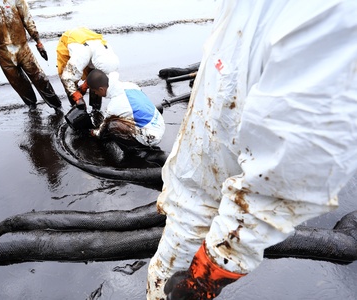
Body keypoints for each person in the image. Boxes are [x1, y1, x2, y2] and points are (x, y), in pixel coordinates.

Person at [146, 0, 357, 299]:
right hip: (189, 198)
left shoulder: (330, 16)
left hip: (209, 223)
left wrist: (204, 277)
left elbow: (292, 167)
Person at [0, 0, 61, 111]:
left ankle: (56, 106)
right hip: (2, 52)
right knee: (19, 84)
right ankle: (32, 106)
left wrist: (38, 41)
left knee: (39, 78)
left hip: (22, 48)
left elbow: (26, 17)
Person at [86, 69, 165, 155]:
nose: (96, 94)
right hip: (159, 123)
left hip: (151, 136)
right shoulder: (130, 85)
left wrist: (92, 132)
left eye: (95, 91)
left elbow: (101, 132)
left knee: (112, 126)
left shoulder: (114, 106)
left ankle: (138, 152)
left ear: (101, 89)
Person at [56, 27, 119, 111]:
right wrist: (77, 96)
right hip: (73, 40)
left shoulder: (109, 57)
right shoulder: (81, 56)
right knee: (69, 79)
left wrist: (85, 85)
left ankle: (96, 108)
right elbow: (66, 78)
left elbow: (101, 76)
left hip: (90, 39)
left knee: (98, 81)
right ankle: (78, 108)